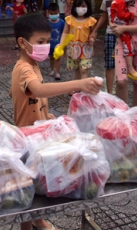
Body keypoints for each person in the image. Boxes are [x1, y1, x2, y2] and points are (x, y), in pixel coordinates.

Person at [10, 13, 102, 230]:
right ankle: (27, 226)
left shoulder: (32, 64)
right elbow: (40, 89)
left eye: (48, 41)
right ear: (22, 43)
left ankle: (39, 220)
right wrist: (78, 84)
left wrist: (45, 115)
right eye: (40, 42)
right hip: (27, 138)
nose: (46, 46)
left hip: (37, 131)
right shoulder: (23, 68)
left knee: (40, 180)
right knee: (30, 186)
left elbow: (32, 95)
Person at [89, 0, 124, 93]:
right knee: (110, 63)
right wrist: (95, 30)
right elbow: (104, 15)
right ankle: (110, 92)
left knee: (124, 63)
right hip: (110, 33)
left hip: (125, 34)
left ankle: (121, 89)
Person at [110, 0, 137, 81]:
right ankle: (131, 69)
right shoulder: (120, 2)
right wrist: (133, 15)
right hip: (121, 27)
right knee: (128, 47)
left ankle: (114, 53)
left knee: (121, 43)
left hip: (117, 25)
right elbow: (121, 15)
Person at [59, 0, 97, 81]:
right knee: (76, 69)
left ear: (88, 7)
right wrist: (61, 44)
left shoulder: (91, 20)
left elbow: (93, 33)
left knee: (83, 69)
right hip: (73, 48)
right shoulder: (69, 19)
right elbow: (65, 32)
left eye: (83, 6)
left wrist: (92, 39)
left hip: (86, 49)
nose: (80, 8)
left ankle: (84, 89)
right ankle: (77, 87)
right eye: (78, 6)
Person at [47, 3, 65, 81]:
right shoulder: (47, 22)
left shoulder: (61, 22)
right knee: (51, 57)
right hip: (49, 45)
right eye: (51, 14)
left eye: (55, 13)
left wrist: (63, 44)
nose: (53, 15)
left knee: (57, 58)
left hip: (58, 45)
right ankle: (52, 70)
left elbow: (64, 33)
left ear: (58, 12)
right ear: (48, 12)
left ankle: (57, 72)